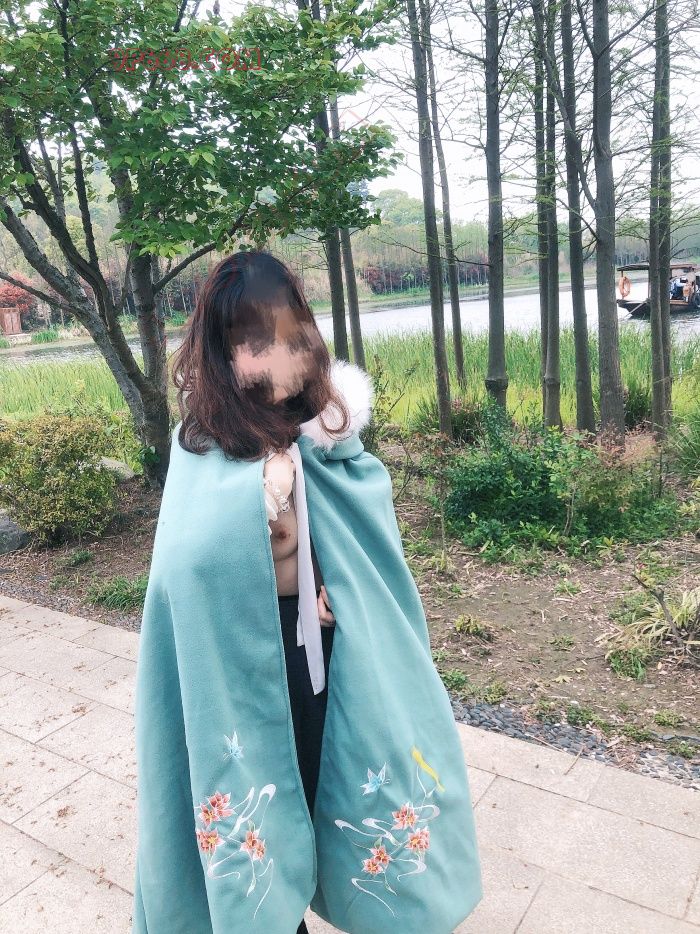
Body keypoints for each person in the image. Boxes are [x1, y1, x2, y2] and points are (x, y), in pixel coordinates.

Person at [131, 250, 482, 933]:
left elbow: (366, 544)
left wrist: (338, 594)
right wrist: (255, 500)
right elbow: (184, 571)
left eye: (281, 335)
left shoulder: (329, 436)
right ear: (220, 350)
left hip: (323, 666)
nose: (268, 357)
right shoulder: (203, 447)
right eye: (249, 341)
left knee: (343, 796)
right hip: (237, 671)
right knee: (256, 826)